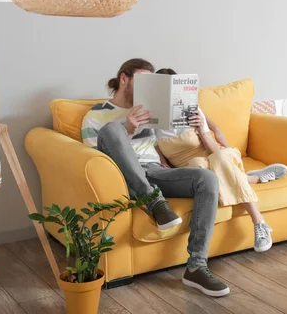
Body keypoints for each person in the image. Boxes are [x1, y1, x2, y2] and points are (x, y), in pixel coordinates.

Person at [81, 59, 229, 297]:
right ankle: (154, 201)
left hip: (156, 171)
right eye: (142, 81)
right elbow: (94, 160)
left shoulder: (150, 110)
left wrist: (204, 125)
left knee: (207, 179)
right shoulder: (95, 115)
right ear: (124, 79)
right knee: (112, 129)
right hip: (124, 176)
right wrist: (127, 129)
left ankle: (196, 266)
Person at [154, 68, 287, 252]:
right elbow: (157, 152)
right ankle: (252, 179)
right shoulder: (152, 119)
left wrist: (202, 130)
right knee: (197, 166)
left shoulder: (191, 111)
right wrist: (165, 168)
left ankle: (259, 223)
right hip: (193, 169)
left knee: (216, 159)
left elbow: (216, 150)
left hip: (217, 155)